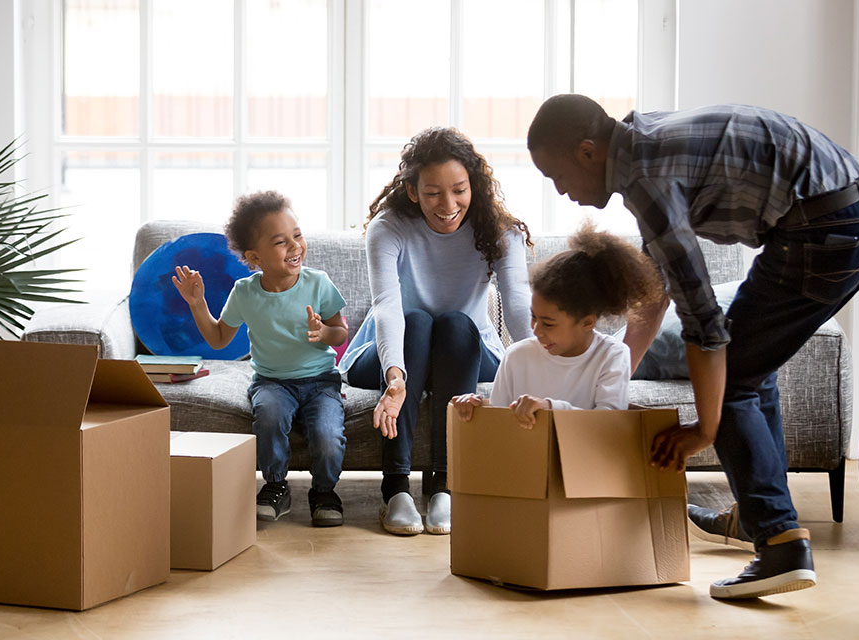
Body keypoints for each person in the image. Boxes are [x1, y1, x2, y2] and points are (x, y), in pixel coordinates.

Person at [526, 94, 859, 599]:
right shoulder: (641, 141)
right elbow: (655, 292)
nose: (561, 191)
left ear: (589, 151)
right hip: (851, 214)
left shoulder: (645, 180)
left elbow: (705, 324)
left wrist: (705, 429)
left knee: (736, 369)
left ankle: (781, 543)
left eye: (557, 176)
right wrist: (609, 379)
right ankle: (761, 515)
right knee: (751, 365)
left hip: (828, 228)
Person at [340, 126, 534, 536]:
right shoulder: (388, 227)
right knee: (418, 321)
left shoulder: (500, 231)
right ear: (412, 191)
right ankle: (396, 490)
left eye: (459, 189)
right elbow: (388, 307)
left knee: (455, 324)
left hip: (464, 350)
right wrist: (394, 377)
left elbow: (518, 306)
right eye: (432, 193)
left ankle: (445, 487)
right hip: (388, 352)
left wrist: (543, 366)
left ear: (474, 186)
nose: (448, 205)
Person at [172, 190, 349, 527]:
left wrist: (324, 334)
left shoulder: (319, 283)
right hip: (272, 381)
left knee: (328, 435)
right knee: (268, 417)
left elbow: (340, 332)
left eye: (297, 235)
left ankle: (324, 491)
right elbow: (220, 338)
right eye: (282, 242)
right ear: (255, 257)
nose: (295, 246)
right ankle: (276, 486)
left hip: (321, 381)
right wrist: (197, 303)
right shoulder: (245, 292)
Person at [451, 225, 664, 426]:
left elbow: (608, 424)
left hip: (585, 464)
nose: (536, 330)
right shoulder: (516, 356)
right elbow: (499, 422)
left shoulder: (613, 356)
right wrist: (477, 408)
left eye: (548, 324)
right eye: (534, 317)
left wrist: (550, 408)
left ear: (587, 322)